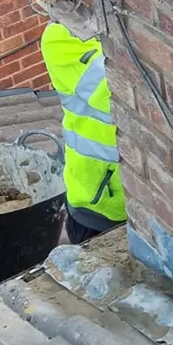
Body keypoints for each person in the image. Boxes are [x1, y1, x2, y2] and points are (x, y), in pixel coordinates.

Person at [40, 20, 127, 244]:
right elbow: (115, 92)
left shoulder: (117, 27)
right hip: (97, 204)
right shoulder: (61, 37)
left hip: (140, 198)